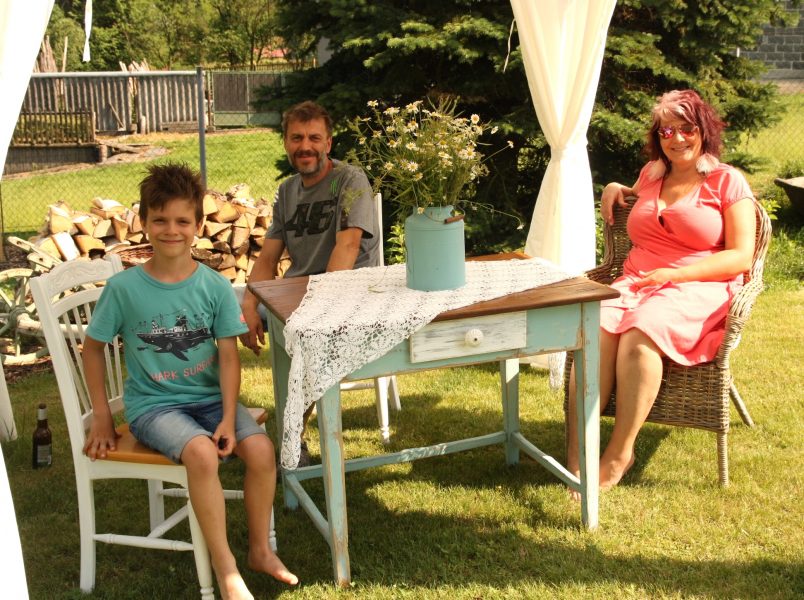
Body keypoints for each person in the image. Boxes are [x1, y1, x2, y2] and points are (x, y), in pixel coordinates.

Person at [82, 163, 298, 599]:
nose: (171, 230)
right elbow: (91, 349)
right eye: (160, 220)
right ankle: (226, 568)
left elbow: (229, 357)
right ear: (144, 222)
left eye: (182, 221)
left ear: (199, 225)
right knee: (201, 454)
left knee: (261, 451)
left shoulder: (214, 286)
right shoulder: (123, 289)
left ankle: (259, 550)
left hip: (210, 400)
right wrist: (102, 416)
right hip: (153, 407)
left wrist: (228, 418)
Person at [567, 90, 757, 496]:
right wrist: (614, 186)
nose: (677, 138)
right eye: (666, 131)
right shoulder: (652, 175)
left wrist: (675, 274)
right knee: (593, 330)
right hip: (637, 282)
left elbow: (741, 256)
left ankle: (619, 454)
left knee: (641, 335)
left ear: (704, 131)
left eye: (687, 128)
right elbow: (637, 201)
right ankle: (576, 455)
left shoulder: (727, 181)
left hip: (698, 284)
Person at [239, 101, 380, 466]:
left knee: (307, 343)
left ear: (328, 143)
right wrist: (248, 305)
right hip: (295, 296)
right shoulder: (287, 191)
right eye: (297, 138)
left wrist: (320, 307)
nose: (306, 146)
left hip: (345, 292)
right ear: (286, 143)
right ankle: (221, 423)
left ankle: (292, 442)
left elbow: (348, 246)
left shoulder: (349, 180)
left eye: (314, 138)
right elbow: (268, 257)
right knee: (222, 322)